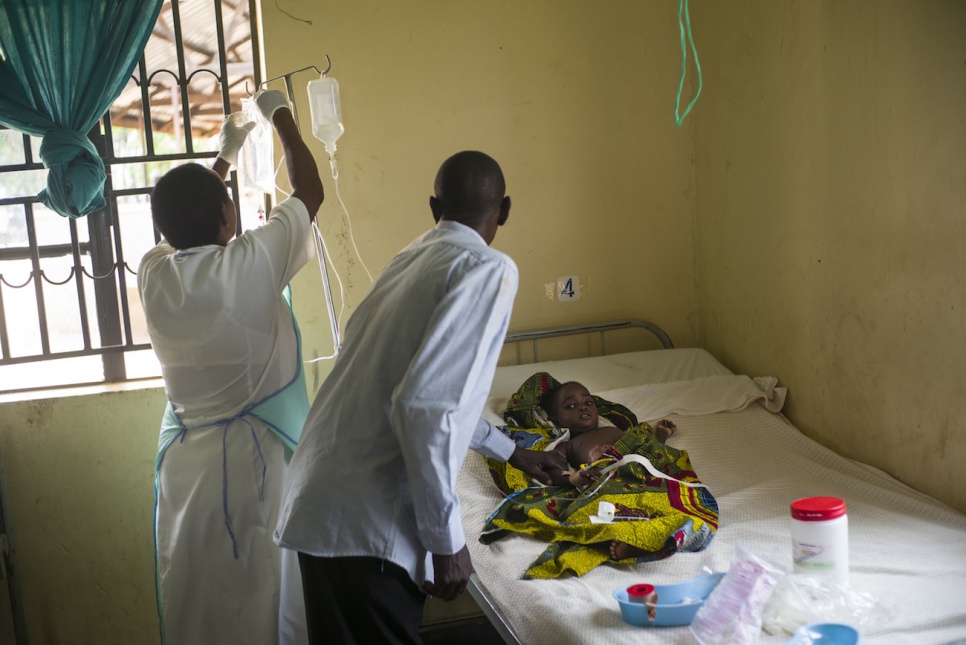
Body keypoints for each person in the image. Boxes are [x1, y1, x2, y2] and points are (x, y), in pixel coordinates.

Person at [274, 150, 566, 644]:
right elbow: (425, 408)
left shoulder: (407, 262)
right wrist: (447, 541)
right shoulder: (489, 269)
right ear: (506, 209)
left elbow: (426, 394)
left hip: (318, 503)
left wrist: (513, 451)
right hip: (367, 525)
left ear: (434, 208)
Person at [138, 89, 324, 645]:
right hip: (255, 470)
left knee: (199, 603)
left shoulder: (154, 275)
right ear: (229, 213)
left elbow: (180, 228)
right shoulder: (249, 263)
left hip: (187, 472)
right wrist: (281, 117)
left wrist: (226, 155)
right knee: (267, 602)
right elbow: (309, 192)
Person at [540, 381, 676, 487]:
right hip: (609, 484)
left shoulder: (616, 430)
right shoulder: (568, 445)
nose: (583, 407)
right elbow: (553, 470)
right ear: (555, 421)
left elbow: (651, 451)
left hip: (646, 477)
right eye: (570, 406)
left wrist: (661, 434)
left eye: (588, 402)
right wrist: (574, 478)